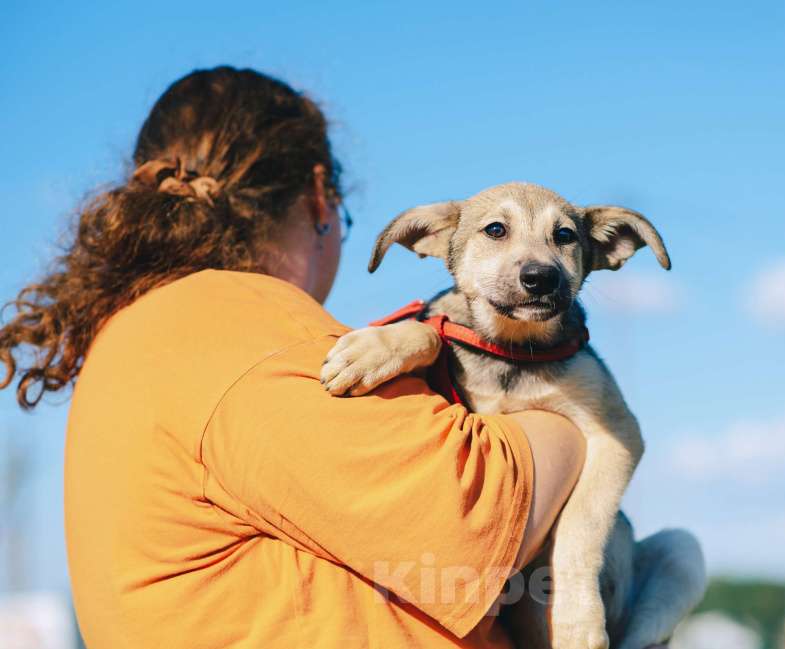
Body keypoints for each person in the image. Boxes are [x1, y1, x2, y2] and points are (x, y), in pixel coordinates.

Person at [0, 66, 588, 648]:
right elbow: (476, 520)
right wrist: (571, 420)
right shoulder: (246, 323)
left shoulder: (141, 331)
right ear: (318, 198)